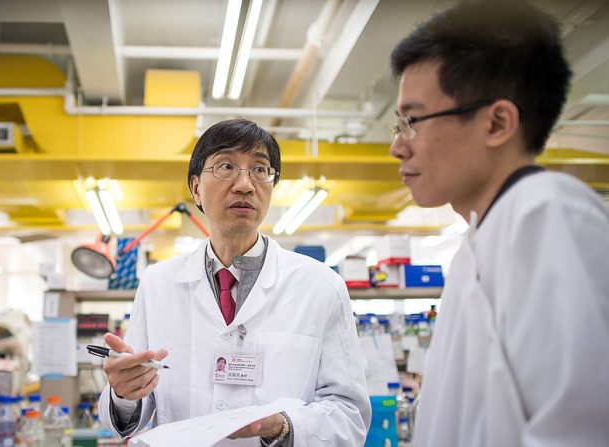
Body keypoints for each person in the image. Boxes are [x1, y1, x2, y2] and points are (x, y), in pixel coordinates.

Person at [389, 1, 609, 445]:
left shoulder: (546, 216)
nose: (397, 145)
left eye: (412, 121)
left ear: (497, 123)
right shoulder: (484, 236)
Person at [98, 118, 370, 446]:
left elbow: (349, 413)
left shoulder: (321, 286)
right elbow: (133, 412)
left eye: (259, 169)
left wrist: (283, 425)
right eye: (226, 166)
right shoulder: (158, 284)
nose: (245, 184)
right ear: (196, 188)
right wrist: (124, 393)